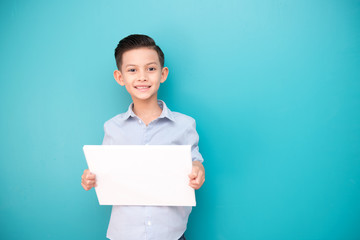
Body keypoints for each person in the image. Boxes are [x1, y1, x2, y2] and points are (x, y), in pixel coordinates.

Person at [81, 34, 205, 240]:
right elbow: (104, 172)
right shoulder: (112, 127)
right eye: (132, 70)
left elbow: (195, 162)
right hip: (123, 233)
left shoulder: (185, 125)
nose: (142, 77)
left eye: (151, 68)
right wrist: (91, 177)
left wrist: (198, 170)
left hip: (171, 234)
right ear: (120, 77)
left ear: (163, 73)